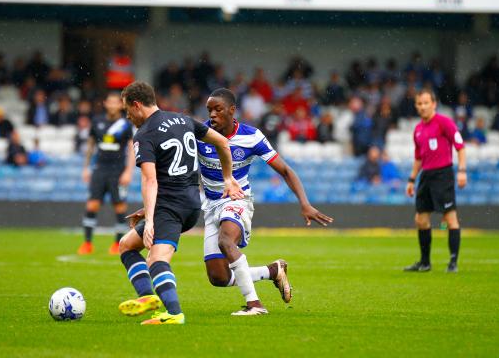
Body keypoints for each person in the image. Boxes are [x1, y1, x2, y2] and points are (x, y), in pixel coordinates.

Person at [126, 88, 332, 316]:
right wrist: (151, 207)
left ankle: (254, 305)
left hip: (237, 199)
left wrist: (304, 203)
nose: (212, 114)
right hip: (210, 205)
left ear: (232, 110)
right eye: (209, 110)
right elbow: (179, 172)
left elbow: (285, 170)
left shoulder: (251, 136)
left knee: (226, 240)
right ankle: (273, 271)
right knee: (218, 277)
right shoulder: (197, 133)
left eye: (217, 109)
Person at [116, 82, 244, 325]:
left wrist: (151, 220)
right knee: (127, 245)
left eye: (127, 110)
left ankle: (174, 314)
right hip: (190, 203)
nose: (128, 116)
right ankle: (147, 298)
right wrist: (229, 178)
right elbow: (223, 143)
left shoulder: (144, 135)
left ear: (137, 105)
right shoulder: (183, 120)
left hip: (169, 208)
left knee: (156, 260)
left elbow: (150, 180)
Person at [405, 88, 467, 273]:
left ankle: (453, 262)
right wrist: (411, 179)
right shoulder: (417, 130)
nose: (422, 106)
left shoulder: (444, 122)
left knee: (449, 218)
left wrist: (462, 170)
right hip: (426, 176)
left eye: (426, 103)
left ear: (434, 104)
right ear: (416, 106)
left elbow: (460, 146)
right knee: (421, 219)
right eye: (419, 103)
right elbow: (418, 157)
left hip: (443, 175)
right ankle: (425, 263)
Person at [78, 92, 135, 255]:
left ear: (121, 105)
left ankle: (117, 244)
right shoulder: (97, 121)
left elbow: (131, 149)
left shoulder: (125, 124)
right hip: (100, 169)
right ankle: (87, 243)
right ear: (105, 103)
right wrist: (86, 168)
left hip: (118, 170)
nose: (112, 105)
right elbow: (90, 146)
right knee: (92, 205)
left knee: (119, 206)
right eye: (109, 102)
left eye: (115, 102)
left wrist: (128, 172)